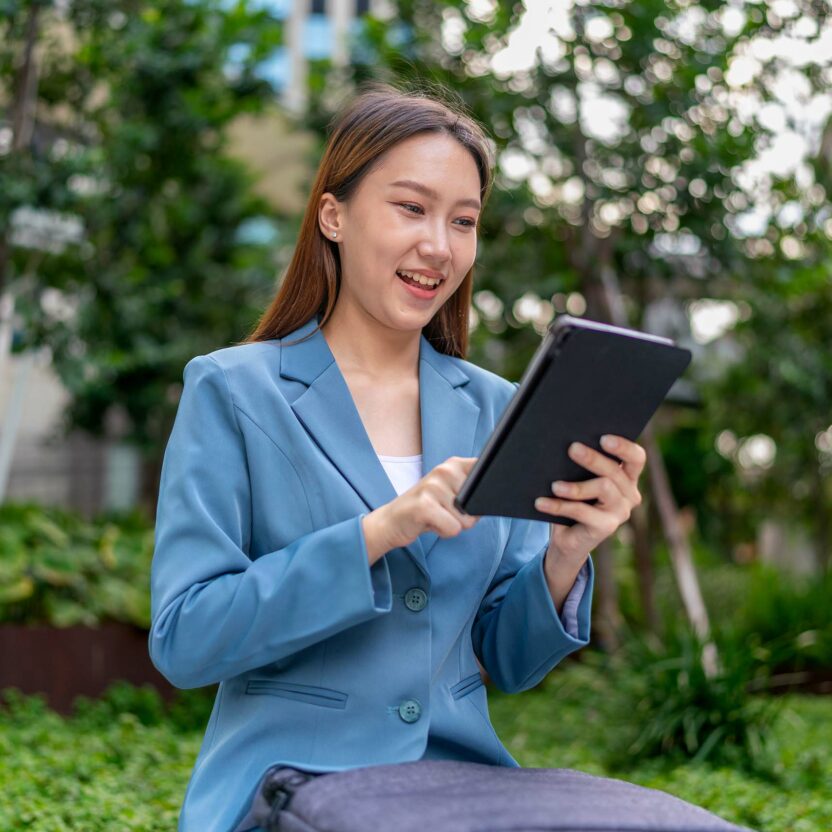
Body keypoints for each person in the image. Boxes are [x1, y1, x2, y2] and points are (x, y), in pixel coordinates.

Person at [149, 81, 646, 832]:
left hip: (457, 790)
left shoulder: (494, 406)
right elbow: (186, 639)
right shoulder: (233, 390)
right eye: (411, 208)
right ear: (334, 216)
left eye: (464, 220)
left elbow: (506, 660)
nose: (439, 246)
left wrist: (567, 554)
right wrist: (378, 532)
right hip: (288, 784)